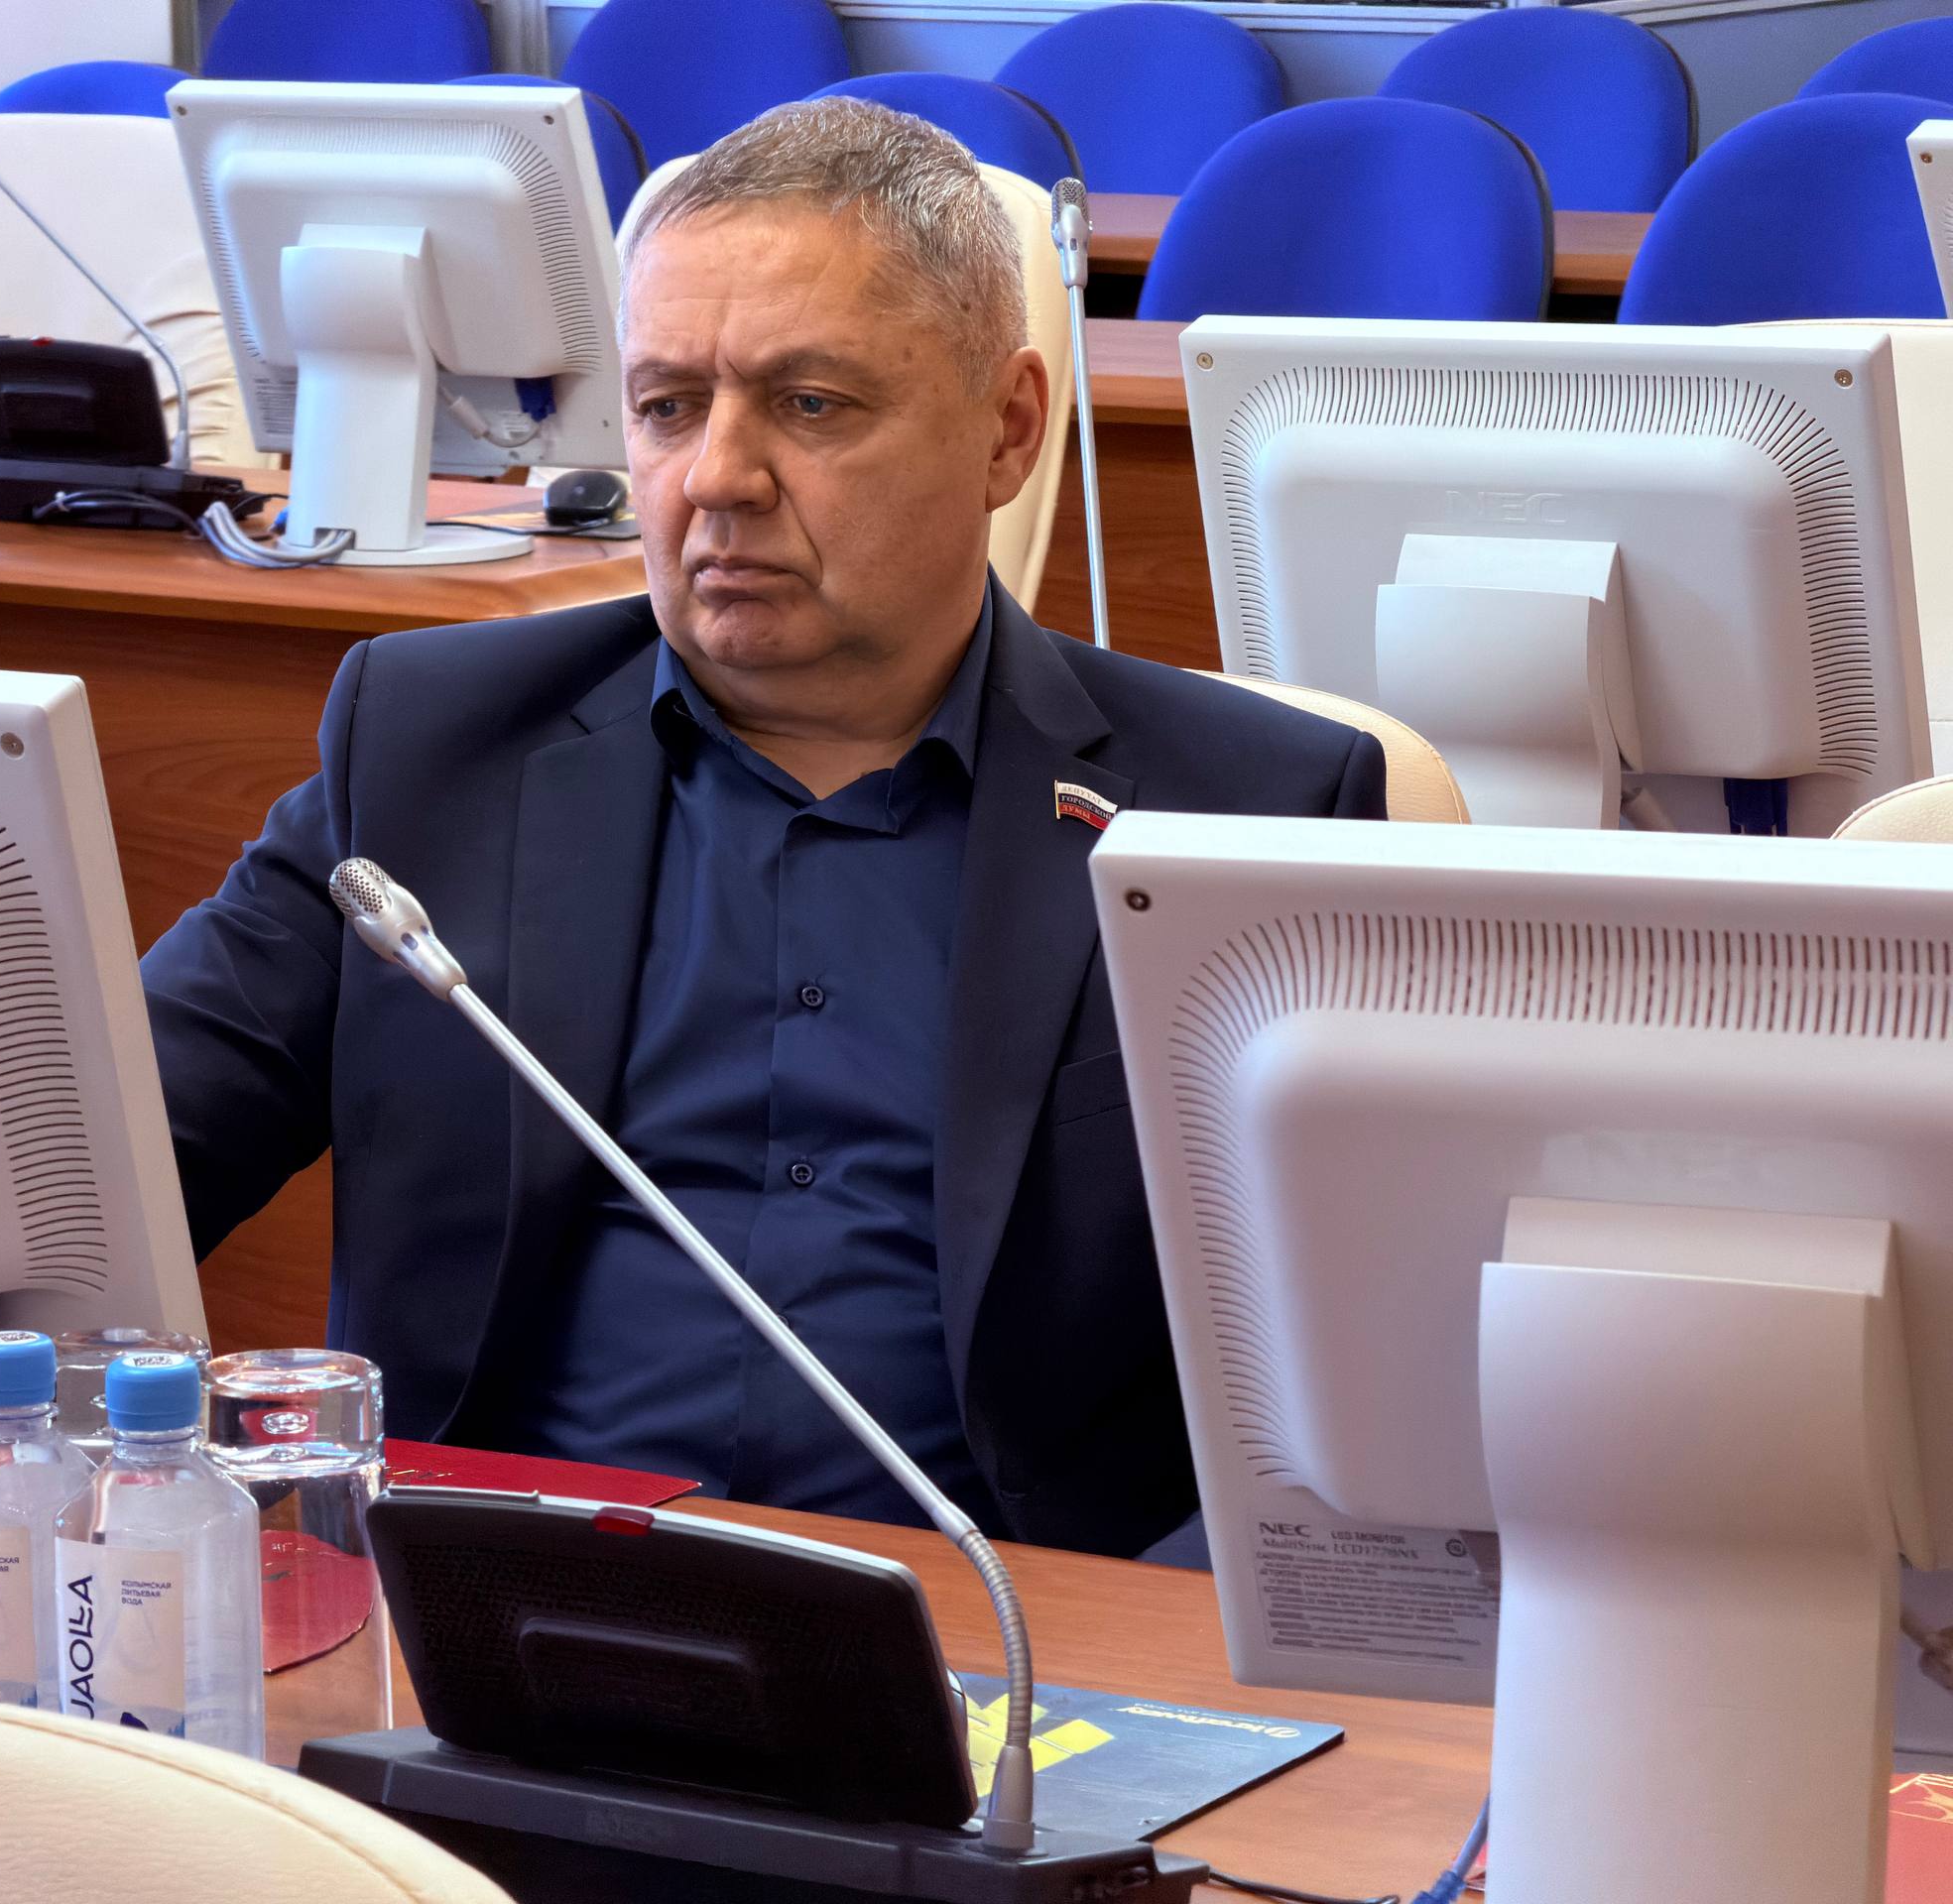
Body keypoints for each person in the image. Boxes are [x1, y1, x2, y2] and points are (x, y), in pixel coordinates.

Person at [141, 98, 1385, 1559]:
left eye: (810, 405)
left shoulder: (1244, 808)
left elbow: (1359, 1390)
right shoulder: (433, 745)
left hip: (1009, 1626)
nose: (716, 478)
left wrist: (1144, 1644)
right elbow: (113, 1155)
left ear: (1007, 430)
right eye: (668, 406)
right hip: (487, 1597)